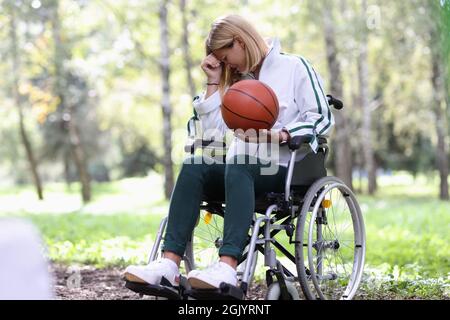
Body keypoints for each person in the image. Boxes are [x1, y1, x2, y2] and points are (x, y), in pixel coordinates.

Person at [124, 14, 334, 289]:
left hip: (284, 171)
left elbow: (322, 117)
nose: (227, 65)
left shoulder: (294, 67)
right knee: (194, 164)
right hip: (239, 169)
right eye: (221, 62)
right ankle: (169, 265)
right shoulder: (234, 81)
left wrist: (282, 135)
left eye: (226, 57)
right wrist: (213, 82)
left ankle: (227, 267)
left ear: (240, 41)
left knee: (240, 164)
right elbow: (209, 138)